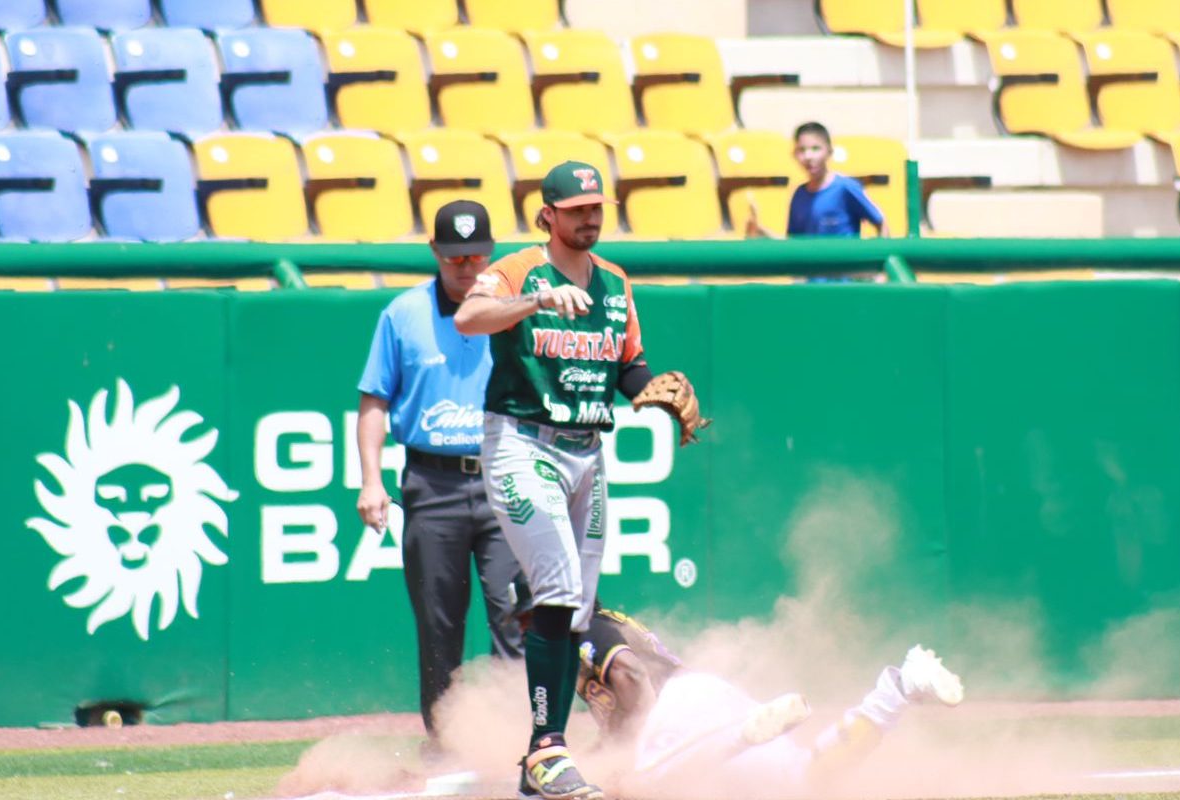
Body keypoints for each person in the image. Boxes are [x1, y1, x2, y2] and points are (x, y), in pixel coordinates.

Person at [454, 160, 708, 800]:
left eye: (597, 207)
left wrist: (654, 391)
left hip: (586, 451)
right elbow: (469, 318)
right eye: (576, 210)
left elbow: (629, 367)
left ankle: (552, 748)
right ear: (548, 215)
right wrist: (535, 300)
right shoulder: (519, 270)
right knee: (559, 588)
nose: (590, 218)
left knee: (573, 612)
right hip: (521, 441)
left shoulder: (616, 283)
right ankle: (546, 749)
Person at [356, 199, 527, 756]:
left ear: (492, 251)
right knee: (439, 622)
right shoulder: (402, 314)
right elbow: (375, 402)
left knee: (516, 614)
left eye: (476, 253)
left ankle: (523, 739)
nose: (466, 265)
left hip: (506, 475)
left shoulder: (513, 310)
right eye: (454, 255)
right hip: (432, 485)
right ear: (435, 252)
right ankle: (448, 744)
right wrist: (371, 480)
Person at [573, 605, 964, 796]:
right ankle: (898, 688)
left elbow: (633, 677)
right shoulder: (602, 618)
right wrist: (599, 753)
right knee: (805, 780)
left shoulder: (581, 623)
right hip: (705, 697)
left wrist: (629, 752)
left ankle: (739, 737)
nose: (521, 625)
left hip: (675, 711)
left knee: (636, 789)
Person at [746, 122, 890, 239]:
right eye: (802, 150)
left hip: (844, 274)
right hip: (811, 275)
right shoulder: (799, 195)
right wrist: (761, 232)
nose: (809, 156)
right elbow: (794, 244)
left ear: (829, 151)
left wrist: (880, 272)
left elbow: (881, 223)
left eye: (816, 149)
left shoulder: (845, 188)